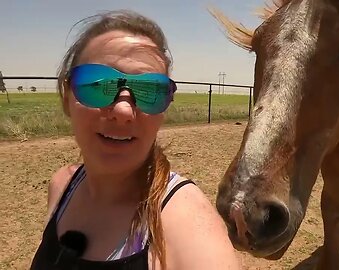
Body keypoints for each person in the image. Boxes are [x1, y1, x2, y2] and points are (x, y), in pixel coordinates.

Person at [30, 10, 240, 270]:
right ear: (66, 96)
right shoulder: (62, 186)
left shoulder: (188, 226)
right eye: (98, 85)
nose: (123, 111)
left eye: (150, 91)